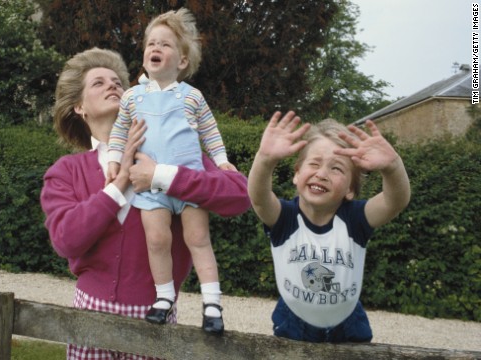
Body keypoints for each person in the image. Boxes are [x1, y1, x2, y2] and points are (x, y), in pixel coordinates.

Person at [40, 47, 250, 359]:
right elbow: (67, 241)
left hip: (157, 322)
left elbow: (239, 196)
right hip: (89, 317)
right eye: (98, 83)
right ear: (79, 107)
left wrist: (162, 175)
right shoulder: (66, 171)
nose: (113, 85)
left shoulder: (179, 156)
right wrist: (122, 179)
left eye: (117, 82)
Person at [105, 8, 235, 334]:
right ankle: (164, 298)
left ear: (181, 62)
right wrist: (115, 162)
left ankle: (212, 303)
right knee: (157, 240)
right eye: (151, 44)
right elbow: (120, 133)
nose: (155, 49)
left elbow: (210, 132)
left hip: (189, 182)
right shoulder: (132, 97)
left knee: (198, 239)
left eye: (165, 44)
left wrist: (220, 161)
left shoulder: (192, 96)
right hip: (150, 188)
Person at [247, 111, 411, 343]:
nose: (322, 174)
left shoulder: (356, 219)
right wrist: (265, 159)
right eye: (314, 163)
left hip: (348, 323)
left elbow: (396, 201)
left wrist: (392, 167)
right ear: (297, 175)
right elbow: (259, 198)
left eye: (336, 169)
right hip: (293, 321)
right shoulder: (285, 218)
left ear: (350, 190)